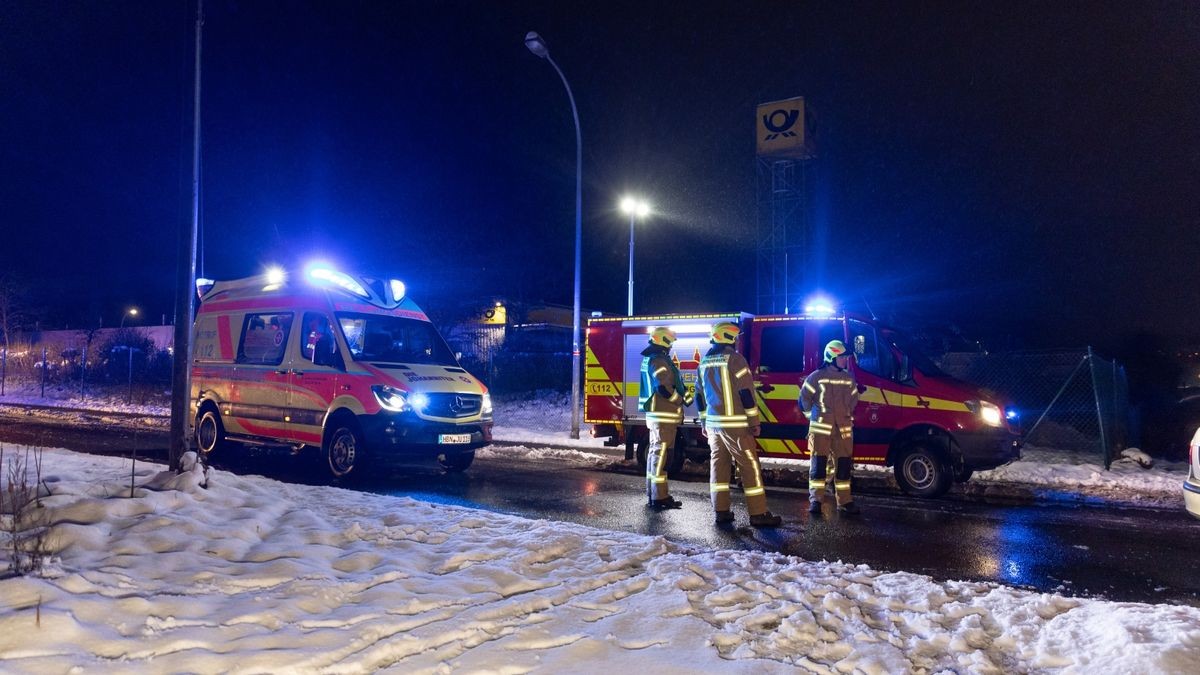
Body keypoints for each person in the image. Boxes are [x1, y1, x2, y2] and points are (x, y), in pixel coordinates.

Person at [694, 321, 782, 527]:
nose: (737, 340)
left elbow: (698, 395)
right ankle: (758, 513)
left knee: (718, 467)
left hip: (714, 425)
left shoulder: (704, 362)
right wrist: (754, 421)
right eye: (735, 337)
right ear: (729, 338)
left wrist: (704, 421)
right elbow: (746, 394)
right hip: (736, 426)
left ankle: (721, 511)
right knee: (749, 466)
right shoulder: (736, 360)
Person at [800, 339, 861, 514]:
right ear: (832, 357)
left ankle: (845, 501)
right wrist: (813, 419)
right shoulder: (816, 377)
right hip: (821, 431)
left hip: (842, 431)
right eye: (842, 357)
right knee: (818, 467)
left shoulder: (848, 378)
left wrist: (844, 415)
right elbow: (804, 400)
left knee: (843, 467)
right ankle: (816, 501)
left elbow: (853, 400)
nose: (845, 360)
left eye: (846, 357)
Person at [639, 327, 689, 509]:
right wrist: (678, 400)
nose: (671, 346)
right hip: (663, 415)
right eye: (670, 342)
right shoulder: (658, 360)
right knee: (661, 457)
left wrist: (684, 397)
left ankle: (654, 494)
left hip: (658, 414)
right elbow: (663, 387)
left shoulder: (653, 359)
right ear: (664, 341)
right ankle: (659, 497)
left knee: (655, 455)